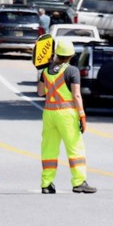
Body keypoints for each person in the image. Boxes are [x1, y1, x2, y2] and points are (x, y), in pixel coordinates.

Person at [38, 39, 96, 194]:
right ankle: (79, 182)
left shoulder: (45, 70)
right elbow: (76, 96)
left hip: (49, 114)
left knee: (49, 149)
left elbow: (40, 92)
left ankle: (46, 183)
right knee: (75, 148)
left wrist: (41, 72)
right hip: (66, 115)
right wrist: (82, 116)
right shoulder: (72, 71)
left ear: (57, 53)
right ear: (71, 55)